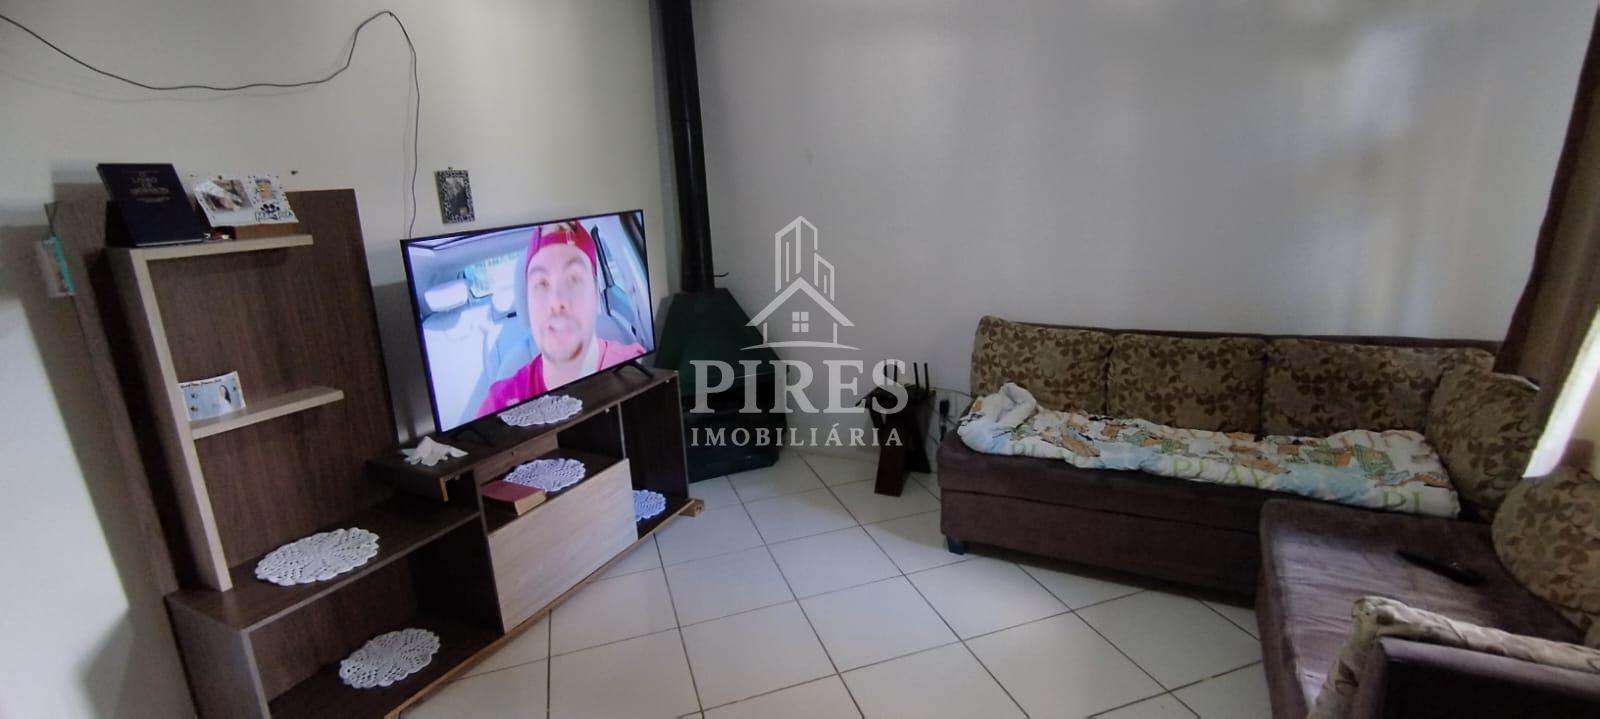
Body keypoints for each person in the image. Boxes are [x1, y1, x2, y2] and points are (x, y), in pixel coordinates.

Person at [479, 221, 645, 414]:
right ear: (527, 303)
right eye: (541, 283)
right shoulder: (499, 405)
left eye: (573, 279)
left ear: (595, 292)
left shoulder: (638, 368)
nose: (556, 301)